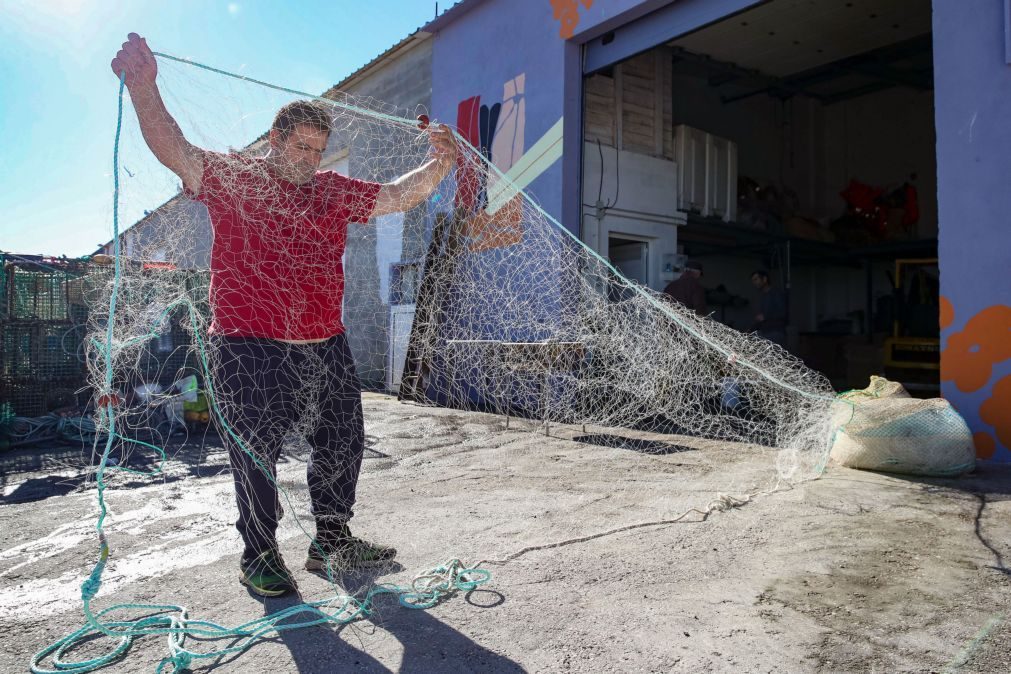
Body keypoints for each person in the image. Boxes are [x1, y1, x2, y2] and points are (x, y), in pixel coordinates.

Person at [111, 34, 458, 597]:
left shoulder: (331, 190)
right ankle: (260, 554)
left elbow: (399, 195)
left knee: (344, 438)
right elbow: (175, 149)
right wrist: (144, 87)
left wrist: (440, 164)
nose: (308, 160)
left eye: (318, 149)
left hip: (325, 340)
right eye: (299, 147)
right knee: (256, 451)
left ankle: (332, 540)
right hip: (248, 342)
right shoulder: (237, 178)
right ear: (274, 140)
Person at [750, 270, 788, 346]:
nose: (754, 283)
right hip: (764, 332)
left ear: (764, 279)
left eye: (756, 279)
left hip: (775, 333)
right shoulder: (763, 296)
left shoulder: (776, 293)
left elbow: (783, 313)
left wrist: (765, 316)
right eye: (753, 281)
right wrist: (751, 329)